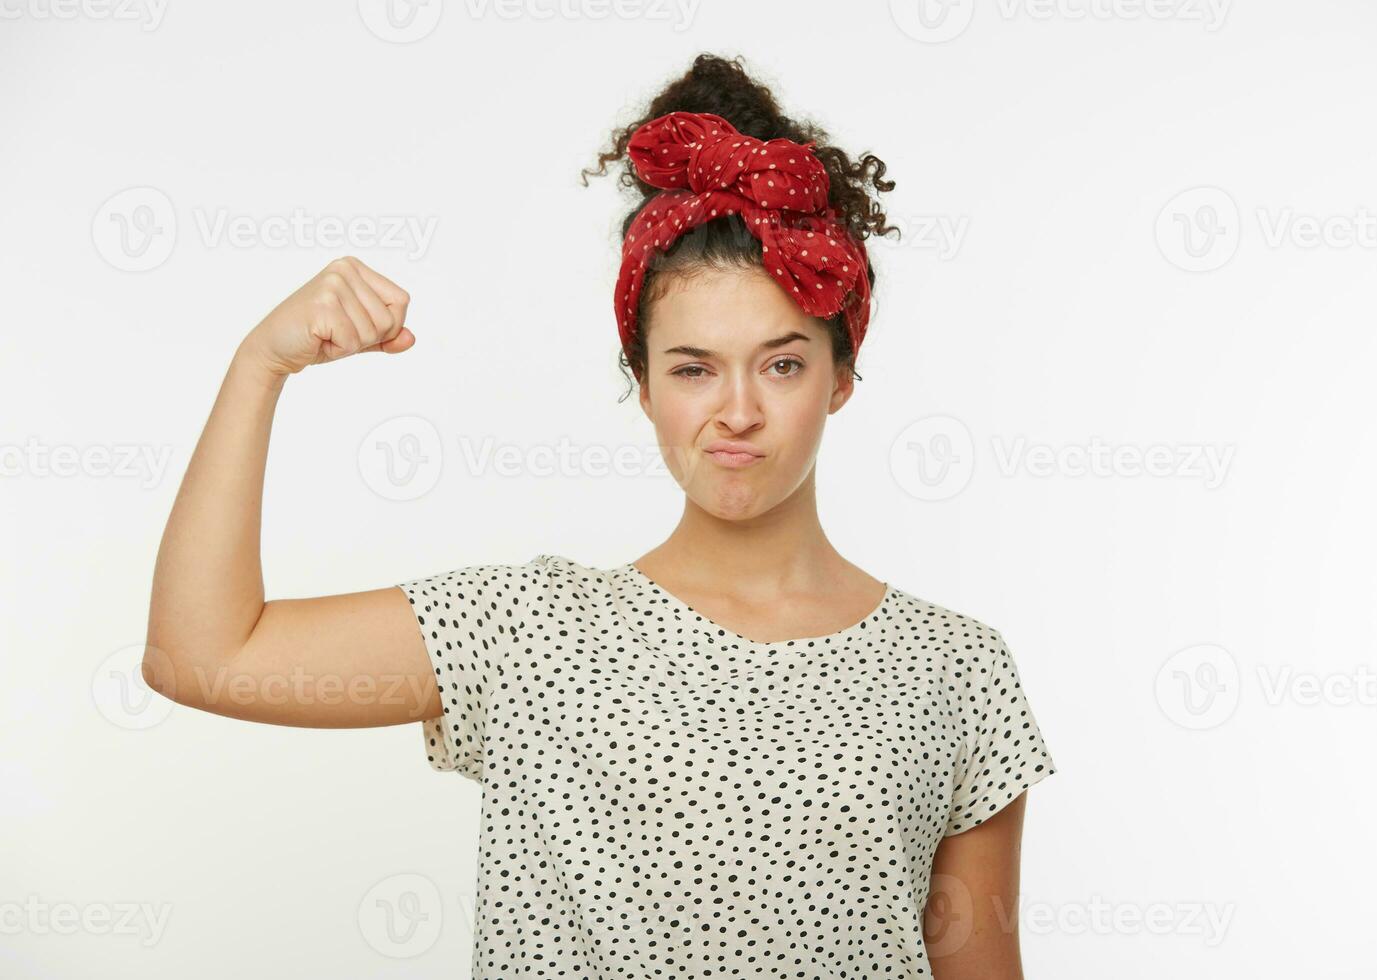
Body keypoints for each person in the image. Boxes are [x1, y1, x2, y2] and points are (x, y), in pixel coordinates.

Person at [143, 53, 1056, 980]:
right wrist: (261, 366)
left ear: (842, 379)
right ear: (645, 385)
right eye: (693, 368)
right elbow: (203, 654)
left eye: (781, 364)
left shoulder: (956, 670)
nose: (735, 411)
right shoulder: (526, 632)